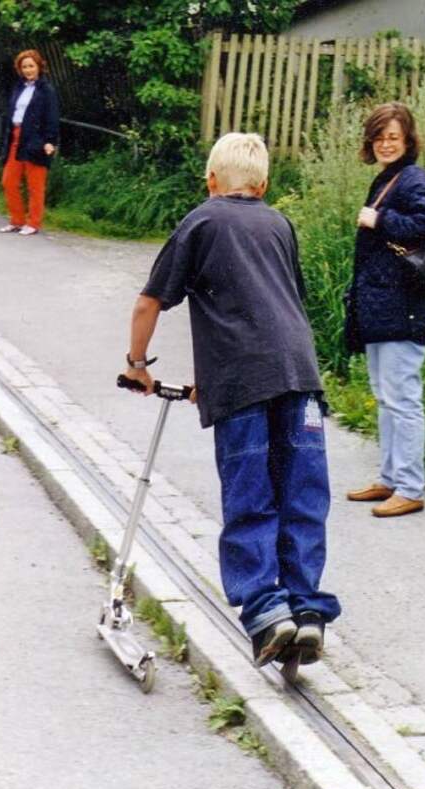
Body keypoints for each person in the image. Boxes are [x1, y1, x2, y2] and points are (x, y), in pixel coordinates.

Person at [122, 132, 341, 669]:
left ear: (211, 180)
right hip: (300, 377)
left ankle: (268, 612)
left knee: (250, 496)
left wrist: (138, 365)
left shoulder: (202, 220)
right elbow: (271, 306)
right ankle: (307, 610)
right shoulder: (279, 224)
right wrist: (212, 378)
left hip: (245, 384)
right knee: (302, 495)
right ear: (264, 184)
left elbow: (151, 301)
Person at [344, 102, 425, 518]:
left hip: (404, 307)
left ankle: (409, 487)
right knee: (386, 396)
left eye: (393, 137)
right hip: (384, 308)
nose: (386, 144)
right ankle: (389, 479)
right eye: (379, 136)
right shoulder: (389, 178)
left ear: (408, 141)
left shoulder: (412, 178)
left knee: (402, 399)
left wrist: (380, 219)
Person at [0, 49, 59, 236]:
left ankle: (33, 223)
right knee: (9, 181)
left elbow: (52, 116)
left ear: (39, 67)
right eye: (24, 67)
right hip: (16, 138)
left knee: (35, 184)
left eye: (31, 66)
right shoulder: (19, 87)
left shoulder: (46, 90)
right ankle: (17, 220)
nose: (28, 70)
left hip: (37, 139)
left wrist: (50, 141)